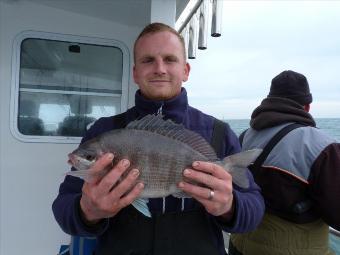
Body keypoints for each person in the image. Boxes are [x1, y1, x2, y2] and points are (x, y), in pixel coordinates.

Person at [52, 22, 265, 255]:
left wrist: (229, 207)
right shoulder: (104, 131)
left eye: (170, 59)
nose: (159, 68)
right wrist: (87, 211)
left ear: (185, 70)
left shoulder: (219, 133)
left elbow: (254, 211)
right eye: (148, 60)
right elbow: (63, 209)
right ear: (135, 73)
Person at [229, 70, 340, 255]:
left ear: (269, 101)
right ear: (307, 107)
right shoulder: (323, 147)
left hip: (238, 245)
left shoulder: (243, 136)